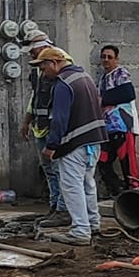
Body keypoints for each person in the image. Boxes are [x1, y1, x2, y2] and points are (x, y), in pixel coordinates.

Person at [38, 46, 106, 244]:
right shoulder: (85, 77)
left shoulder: (63, 83)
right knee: (88, 184)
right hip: (93, 141)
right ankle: (93, 224)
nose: (44, 73)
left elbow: (59, 119)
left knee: (71, 186)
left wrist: (51, 145)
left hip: (75, 143)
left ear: (54, 63)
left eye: (44, 68)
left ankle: (80, 231)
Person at [20, 30, 64, 223]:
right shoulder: (39, 70)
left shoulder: (60, 65)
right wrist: (27, 120)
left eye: (33, 50)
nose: (31, 54)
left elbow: (62, 104)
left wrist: (55, 137)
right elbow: (36, 96)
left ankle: (62, 210)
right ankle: (54, 206)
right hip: (41, 127)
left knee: (60, 170)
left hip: (54, 129)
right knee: (49, 170)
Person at [97, 43, 139, 195]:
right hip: (107, 128)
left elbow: (128, 94)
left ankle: (133, 192)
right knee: (102, 160)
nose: (106, 60)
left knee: (127, 162)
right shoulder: (103, 78)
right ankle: (118, 188)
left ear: (116, 59)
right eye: (103, 57)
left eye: (110, 57)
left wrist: (101, 100)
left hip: (123, 126)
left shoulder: (121, 73)